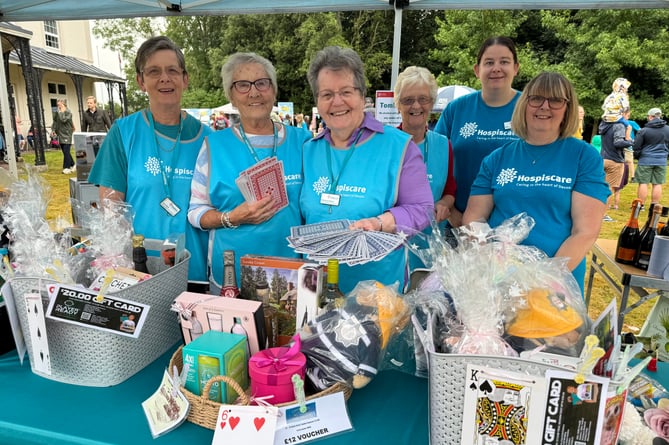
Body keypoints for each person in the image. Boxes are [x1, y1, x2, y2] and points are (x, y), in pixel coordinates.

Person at [300, 46, 434, 293]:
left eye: (346, 92)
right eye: (327, 94)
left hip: (378, 293)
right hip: (316, 290)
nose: (337, 102)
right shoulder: (308, 150)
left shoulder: (398, 147)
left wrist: (380, 222)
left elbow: (423, 209)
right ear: (317, 101)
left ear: (363, 97)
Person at [463, 71, 610, 292]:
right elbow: (475, 216)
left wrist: (542, 281)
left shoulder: (583, 157)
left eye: (556, 100)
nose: (544, 106)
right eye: (536, 98)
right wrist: (487, 263)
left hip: (555, 283)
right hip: (497, 281)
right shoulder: (497, 158)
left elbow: (585, 231)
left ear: (567, 108)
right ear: (525, 104)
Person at [88, 36, 212, 291]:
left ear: (185, 79)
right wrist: (122, 265)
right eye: (154, 71)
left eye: (172, 71)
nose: (164, 78)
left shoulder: (209, 139)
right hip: (141, 273)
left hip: (196, 272)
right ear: (141, 81)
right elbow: (112, 209)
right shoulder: (123, 133)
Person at [187, 52, 312, 294]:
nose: (254, 92)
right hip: (233, 278)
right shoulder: (214, 146)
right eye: (242, 85)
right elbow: (195, 212)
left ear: (274, 91)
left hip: (293, 276)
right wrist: (232, 217)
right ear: (231, 96)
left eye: (262, 83)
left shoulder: (304, 142)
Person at [434, 36, 520, 227]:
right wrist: (452, 213)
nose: (496, 68)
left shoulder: (529, 109)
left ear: (515, 68)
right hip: (458, 222)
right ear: (476, 70)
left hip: (512, 229)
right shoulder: (456, 109)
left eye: (504, 62)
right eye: (489, 62)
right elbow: (434, 161)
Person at [393, 65, 456, 270]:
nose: (416, 106)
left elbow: (449, 191)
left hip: (431, 249)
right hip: (395, 248)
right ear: (397, 104)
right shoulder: (386, 145)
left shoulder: (443, 145)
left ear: (432, 102)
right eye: (408, 100)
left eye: (423, 99)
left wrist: (445, 204)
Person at [599, 107, 633, 221]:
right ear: (622, 114)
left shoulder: (604, 124)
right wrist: (629, 139)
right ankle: (602, 215)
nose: (627, 119)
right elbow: (618, 143)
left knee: (598, 188)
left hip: (603, 159)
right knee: (609, 190)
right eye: (627, 116)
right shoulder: (619, 125)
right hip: (615, 161)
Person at [633, 107, 669, 207]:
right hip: (661, 160)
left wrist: (638, 156)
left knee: (643, 183)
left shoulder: (644, 130)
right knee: (657, 183)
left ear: (650, 117)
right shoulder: (668, 129)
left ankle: (641, 205)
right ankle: (654, 205)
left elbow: (636, 146)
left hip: (645, 160)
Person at [51, 98, 75, 174]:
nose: (58, 105)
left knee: (66, 150)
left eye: (60, 103)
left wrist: (61, 112)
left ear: (64, 104)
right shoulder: (57, 112)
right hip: (60, 133)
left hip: (67, 133)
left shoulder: (68, 112)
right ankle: (73, 164)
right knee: (65, 151)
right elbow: (55, 121)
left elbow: (63, 120)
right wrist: (53, 130)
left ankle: (66, 167)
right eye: (58, 103)